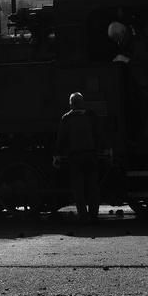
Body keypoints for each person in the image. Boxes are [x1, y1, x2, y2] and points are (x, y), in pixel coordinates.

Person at [53, 92, 112, 223]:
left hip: (74, 156)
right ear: (83, 102)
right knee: (92, 186)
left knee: (78, 188)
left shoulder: (66, 118)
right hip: (90, 154)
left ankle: (83, 217)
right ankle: (94, 216)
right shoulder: (91, 115)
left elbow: (61, 139)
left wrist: (56, 154)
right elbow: (99, 134)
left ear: (70, 104)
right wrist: (107, 148)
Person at [108, 21, 148, 142]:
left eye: (117, 38)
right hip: (142, 79)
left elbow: (145, 59)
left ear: (121, 32)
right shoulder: (129, 34)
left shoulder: (136, 42)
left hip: (146, 79)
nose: (117, 41)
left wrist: (126, 59)